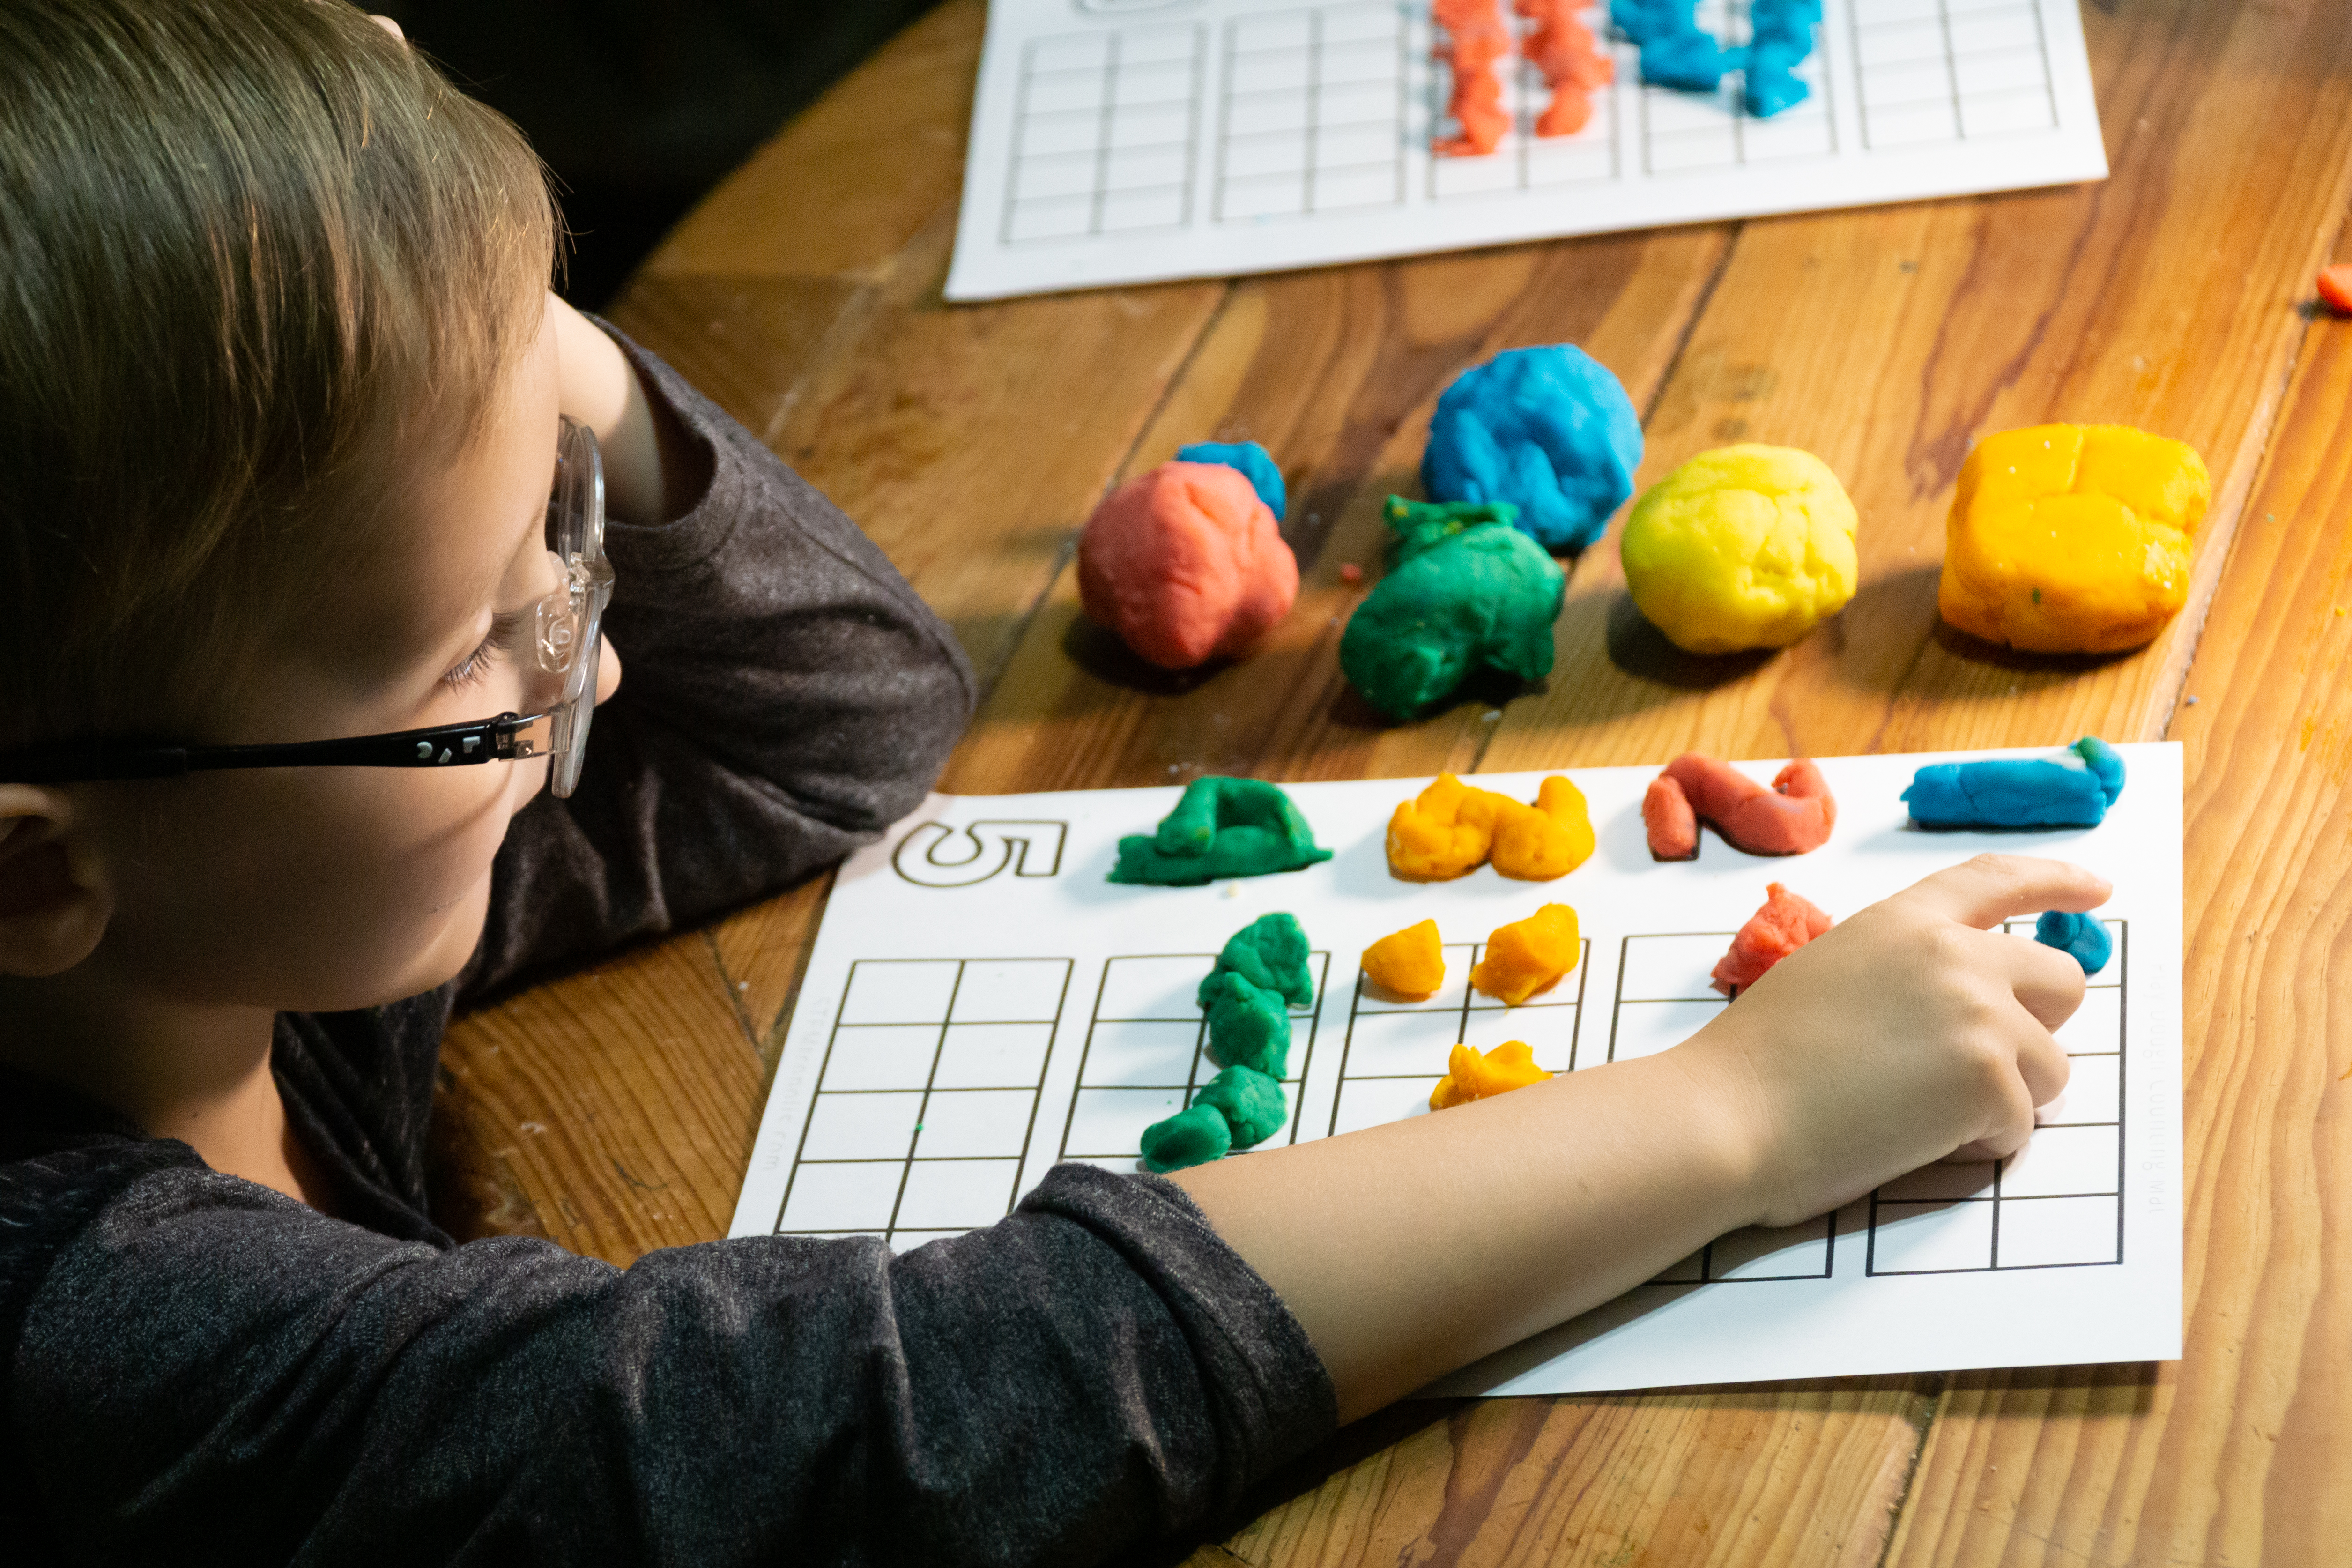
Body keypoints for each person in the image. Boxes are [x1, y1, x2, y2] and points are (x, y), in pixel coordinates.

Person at [0, 3, 2107, 1562]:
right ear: (33, 880)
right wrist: (1726, 1113)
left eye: (561, 535)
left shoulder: (223, 894)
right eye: (480, 655)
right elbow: (855, 1438)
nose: (602, 650)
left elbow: (821, 717)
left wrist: (476, 331)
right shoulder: (90, 1335)